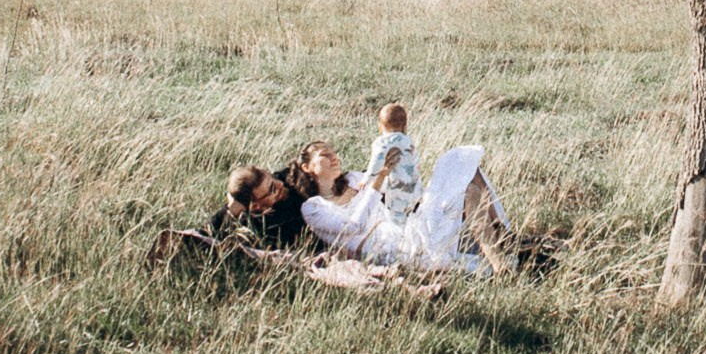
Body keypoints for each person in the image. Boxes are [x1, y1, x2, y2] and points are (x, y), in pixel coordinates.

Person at [294, 138, 514, 273]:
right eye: (325, 155)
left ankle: (501, 241)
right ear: (306, 167)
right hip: (395, 248)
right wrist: (378, 179)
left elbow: (400, 192)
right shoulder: (314, 207)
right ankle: (500, 255)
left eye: (334, 152)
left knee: (460, 162)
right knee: (468, 188)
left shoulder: (353, 178)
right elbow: (353, 226)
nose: (334, 157)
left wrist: (404, 165)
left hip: (409, 224)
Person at [207, 162, 309, 249]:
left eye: (273, 178)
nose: (280, 184)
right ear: (255, 206)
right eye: (273, 189)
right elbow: (207, 233)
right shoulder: (265, 229)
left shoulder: (285, 179)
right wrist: (230, 209)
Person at [364, 103, 421, 223]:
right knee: (410, 212)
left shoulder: (382, 142)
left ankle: (397, 232)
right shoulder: (409, 142)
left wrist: (367, 179)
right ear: (405, 126)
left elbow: (376, 162)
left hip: (396, 183)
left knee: (394, 213)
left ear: (380, 126)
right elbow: (416, 163)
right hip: (412, 184)